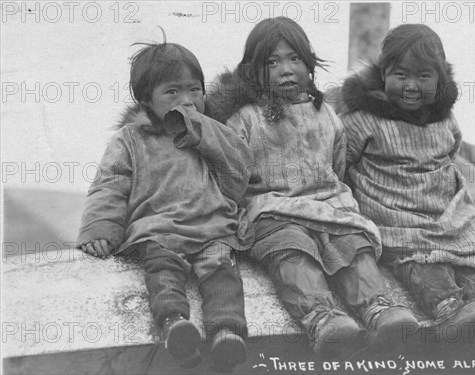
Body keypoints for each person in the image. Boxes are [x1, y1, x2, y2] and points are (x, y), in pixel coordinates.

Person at [205, 17, 419, 359]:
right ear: (253, 70)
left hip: (327, 204)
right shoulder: (245, 117)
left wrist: (336, 201)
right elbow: (232, 174)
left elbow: (336, 166)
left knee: (353, 246)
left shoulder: (326, 114)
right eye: (271, 62)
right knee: (294, 251)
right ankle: (321, 316)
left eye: (294, 59)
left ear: (309, 62)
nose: (285, 70)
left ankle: (378, 308)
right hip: (272, 210)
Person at [338, 24, 475, 344]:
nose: (411, 85)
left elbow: (451, 153)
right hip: (397, 216)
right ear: (382, 74)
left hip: (447, 213)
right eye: (401, 75)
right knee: (422, 263)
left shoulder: (444, 119)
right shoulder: (363, 119)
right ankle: (449, 310)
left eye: (424, 76)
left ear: (440, 78)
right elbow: (340, 164)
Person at [77, 40, 251, 371]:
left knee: (223, 276)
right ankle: (175, 325)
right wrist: (101, 228)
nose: (186, 100)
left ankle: (227, 333)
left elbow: (239, 171)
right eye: (172, 92)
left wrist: (205, 133)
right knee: (162, 271)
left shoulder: (212, 131)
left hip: (211, 226)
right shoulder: (131, 139)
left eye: (194, 90)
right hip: (159, 228)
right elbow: (110, 183)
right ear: (147, 100)